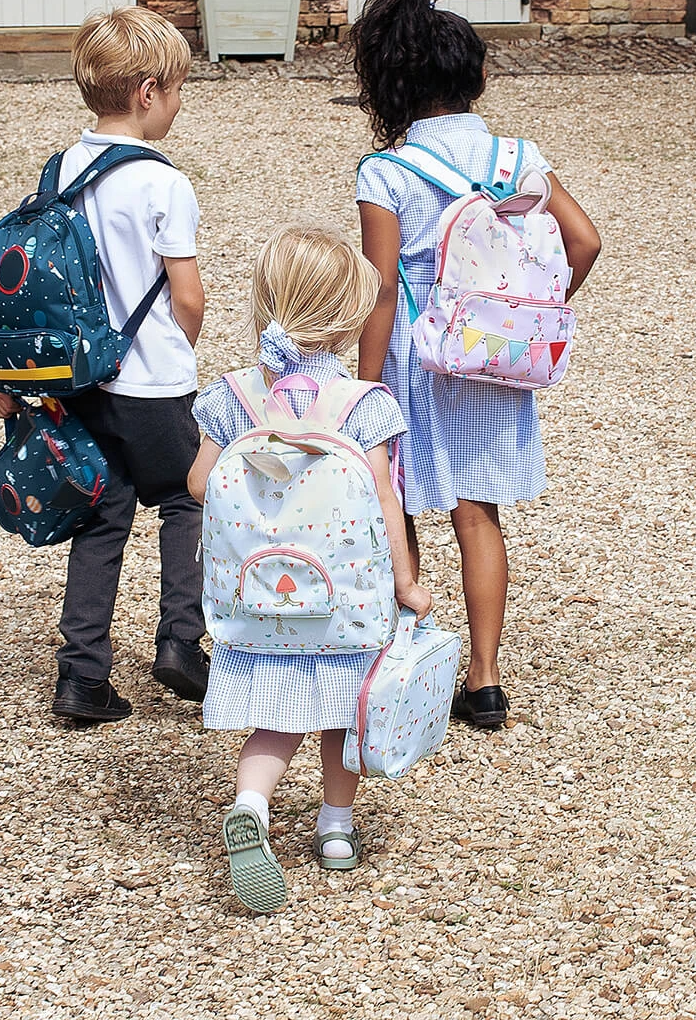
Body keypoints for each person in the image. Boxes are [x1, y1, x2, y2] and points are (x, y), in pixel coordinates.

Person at [350, 0, 601, 730]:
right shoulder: (519, 156)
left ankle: (407, 664)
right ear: (474, 74)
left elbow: (381, 287)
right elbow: (584, 241)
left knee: (401, 507)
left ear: (389, 84)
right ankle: (485, 682)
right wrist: (529, 313)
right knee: (476, 510)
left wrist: (364, 391)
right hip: (492, 350)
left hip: (416, 353)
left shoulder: (386, 172)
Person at [187, 226, 431, 912]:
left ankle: (253, 806)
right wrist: (407, 583)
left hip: (259, 600)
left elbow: (200, 485)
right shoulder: (362, 403)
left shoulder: (231, 396)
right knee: (344, 715)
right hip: (346, 601)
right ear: (350, 317)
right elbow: (387, 502)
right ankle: (334, 829)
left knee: (277, 713)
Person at [0, 6, 209, 721]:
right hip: (152, 381)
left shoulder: (62, 171)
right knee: (185, 497)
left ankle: (81, 676)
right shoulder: (162, 183)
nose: (177, 102)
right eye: (176, 89)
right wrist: (177, 352)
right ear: (148, 92)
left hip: (77, 380)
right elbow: (189, 296)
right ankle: (180, 641)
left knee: (103, 515)